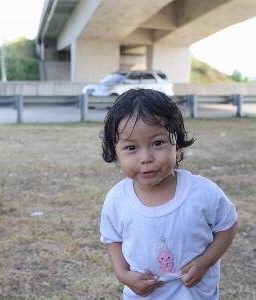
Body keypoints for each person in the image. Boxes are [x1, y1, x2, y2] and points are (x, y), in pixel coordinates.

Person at [99, 89, 238, 299]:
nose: (146, 157)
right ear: (115, 153)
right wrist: (123, 274)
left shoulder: (202, 193)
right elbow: (113, 239)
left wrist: (205, 262)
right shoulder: (117, 200)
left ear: (178, 146)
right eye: (131, 147)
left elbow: (227, 225)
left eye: (157, 143)